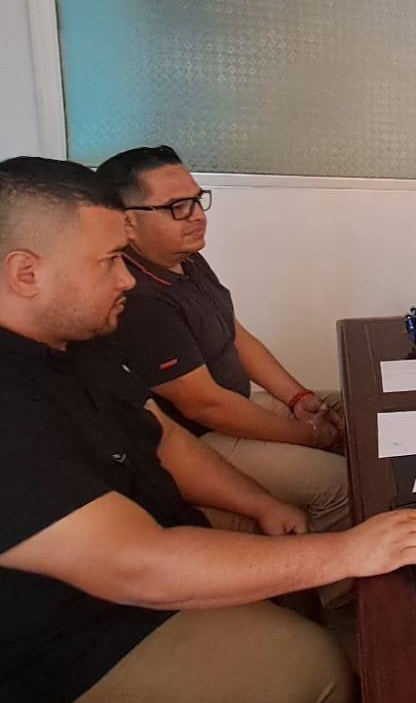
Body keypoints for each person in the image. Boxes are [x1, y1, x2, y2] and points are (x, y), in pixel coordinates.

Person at [0, 158, 416, 702]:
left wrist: (261, 503)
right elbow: (135, 565)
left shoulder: (63, 334)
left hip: (146, 547)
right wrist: (347, 552)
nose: (126, 277)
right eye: (109, 261)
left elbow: (163, 438)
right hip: (58, 646)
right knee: (313, 667)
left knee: (298, 538)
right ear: (25, 272)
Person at [98, 145, 349, 537]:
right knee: (340, 483)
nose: (197, 216)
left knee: (352, 409)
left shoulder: (186, 258)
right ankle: (334, 575)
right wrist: (310, 435)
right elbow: (206, 406)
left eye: (197, 200)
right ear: (127, 223)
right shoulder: (141, 301)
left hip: (236, 404)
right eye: (177, 207)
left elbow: (236, 336)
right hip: (203, 438)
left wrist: (299, 399)